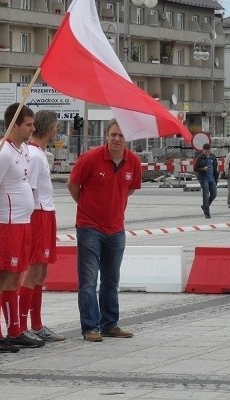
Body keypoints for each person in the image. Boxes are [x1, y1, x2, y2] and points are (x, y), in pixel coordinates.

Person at [67, 118, 141, 342]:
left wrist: (114, 205)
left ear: (127, 139)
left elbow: (131, 188)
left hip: (116, 230)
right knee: (89, 280)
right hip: (90, 228)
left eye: (120, 136)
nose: (116, 139)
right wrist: (87, 206)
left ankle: (110, 324)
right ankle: (90, 327)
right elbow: (73, 185)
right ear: (106, 136)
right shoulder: (90, 159)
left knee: (111, 280)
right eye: (113, 135)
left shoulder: (134, 163)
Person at [0, 103, 43, 352]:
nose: (32, 129)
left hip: (22, 222)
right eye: (28, 124)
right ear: (15, 124)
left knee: (15, 275)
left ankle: (14, 329)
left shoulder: (23, 151)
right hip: (6, 223)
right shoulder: (3, 151)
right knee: (0, 275)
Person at [19, 110, 65, 343]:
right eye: (55, 127)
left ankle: (36, 324)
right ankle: (23, 324)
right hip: (38, 214)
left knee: (41, 271)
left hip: (45, 213)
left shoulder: (38, 154)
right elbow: (29, 188)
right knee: (33, 270)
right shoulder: (35, 156)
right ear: (50, 130)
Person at [194, 143, 218, 219]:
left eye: (208, 151)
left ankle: (205, 206)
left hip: (212, 178)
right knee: (206, 195)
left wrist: (216, 178)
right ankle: (207, 213)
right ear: (203, 150)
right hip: (204, 178)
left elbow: (215, 169)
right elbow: (195, 168)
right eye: (205, 151)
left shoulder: (213, 157)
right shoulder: (200, 158)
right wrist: (203, 169)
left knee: (214, 194)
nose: (207, 153)